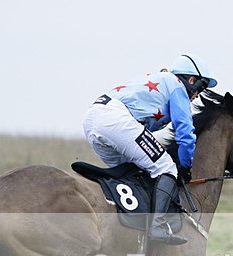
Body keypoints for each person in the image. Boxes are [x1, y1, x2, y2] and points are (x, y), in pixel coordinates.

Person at [83, 54, 218, 245]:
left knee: (132, 173)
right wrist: (186, 166)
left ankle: (125, 230)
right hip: (114, 118)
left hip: (92, 119)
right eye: (201, 88)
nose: (198, 95)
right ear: (191, 79)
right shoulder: (178, 87)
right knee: (166, 167)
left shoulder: (161, 81)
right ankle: (157, 226)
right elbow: (185, 134)